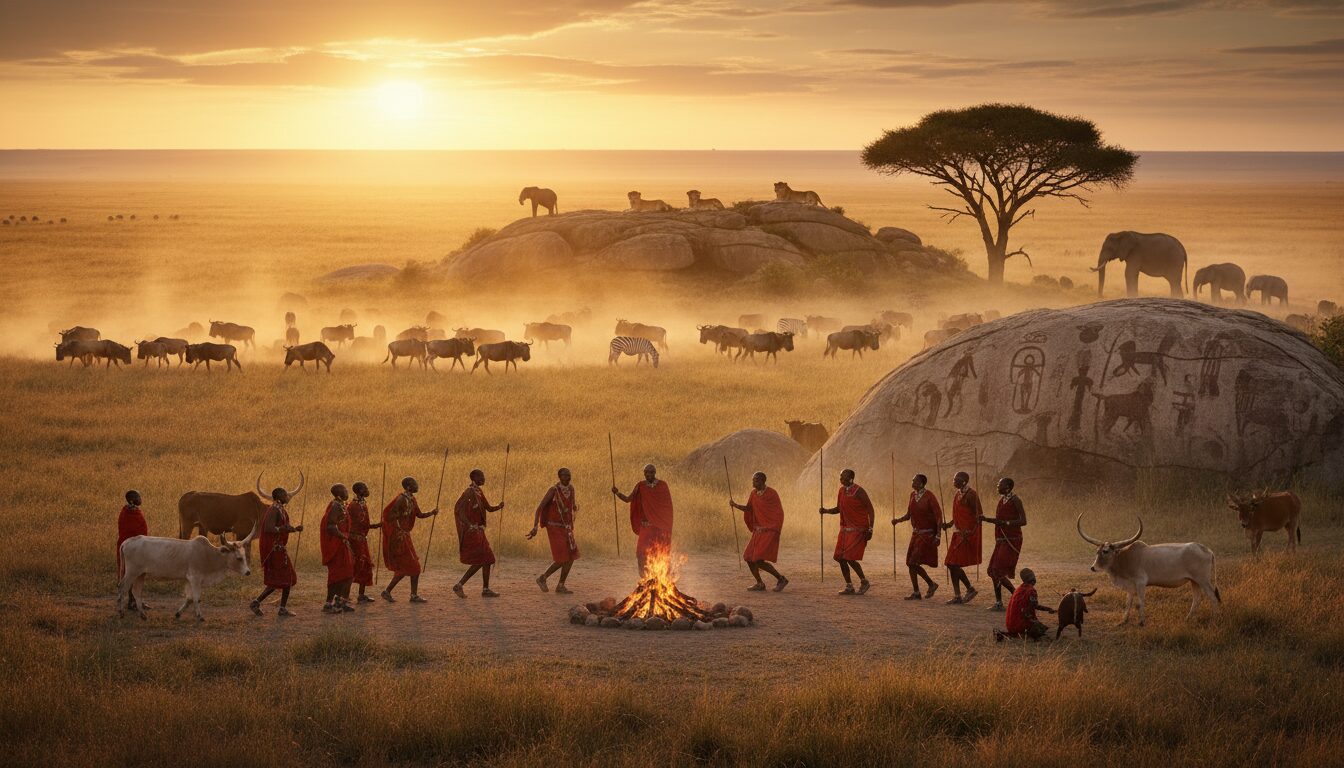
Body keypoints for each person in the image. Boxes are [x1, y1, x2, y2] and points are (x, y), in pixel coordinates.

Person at [381, 476, 438, 603]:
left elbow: (419, 514)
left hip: (406, 536)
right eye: (414, 483)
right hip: (400, 537)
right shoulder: (401, 499)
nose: (417, 485)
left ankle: (397, 593)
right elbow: (389, 516)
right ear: (408, 486)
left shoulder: (411, 499)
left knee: (410, 567)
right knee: (413, 567)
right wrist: (399, 529)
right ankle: (405, 594)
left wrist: (432, 513)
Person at [729, 471, 789, 592]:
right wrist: (735, 505)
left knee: (758, 559)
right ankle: (760, 583)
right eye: (753, 480)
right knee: (748, 557)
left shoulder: (772, 493)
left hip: (770, 529)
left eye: (755, 480)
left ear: (762, 481)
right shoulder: (753, 493)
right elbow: (749, 508)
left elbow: (778, 513)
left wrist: (774, 527)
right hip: (758, 530)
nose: (753, 482)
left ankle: (781, 579)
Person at [819, 468, 874, 595]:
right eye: (840, 476)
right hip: (844, 530)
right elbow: (839, 508)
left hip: (858, 529)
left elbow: (870, 510)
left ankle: (864, 581)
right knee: (840, 558)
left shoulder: (859, 491)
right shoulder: (841, 491)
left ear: (850, 478)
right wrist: (826, 511)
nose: (840, 478)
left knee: (849, 557)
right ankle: (849, 586)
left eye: (843, 476)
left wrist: (871, 528)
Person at [613, 464, 674, 577]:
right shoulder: (640, 486)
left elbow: (667, 506)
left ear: (655, 473)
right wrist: (617, 493)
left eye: (651, 472)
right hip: (646, 526)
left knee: (660, 552)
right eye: (646, 472)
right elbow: (628, 499)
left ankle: (662, 577)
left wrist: (665, 523)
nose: (648, 475)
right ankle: (644, 577)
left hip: (660, 526)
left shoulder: (662, 485)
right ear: (644, 473)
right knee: (640, 552)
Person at [250, 486, 303, 616]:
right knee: (280, 579)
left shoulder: (280, 509)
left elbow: (281, 527)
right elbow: (269, 528)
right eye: (285, 494)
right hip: (275, 551)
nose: (288, 496)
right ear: (279, 497)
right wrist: (285, 529)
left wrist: (295, 529)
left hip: (280, 550)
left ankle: (281, 608)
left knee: (286, 579)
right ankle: (257, 602)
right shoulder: (274, 509)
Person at [528, 467, 579, 594]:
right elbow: (540, 507)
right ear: (559, 477)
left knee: (571, 556)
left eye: (569, 475)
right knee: (562, 557)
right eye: (565, 475)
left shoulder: (571, 489)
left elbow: (572, 506)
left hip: (566, 527)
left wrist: (574, 509)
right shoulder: (553, 490)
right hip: (554, 527)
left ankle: (560, 585)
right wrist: (535, 526)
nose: (568, 477)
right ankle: (542, 578)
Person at [453, 469, 502, 598]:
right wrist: (470, 525)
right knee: (483, 560)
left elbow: (488, 508)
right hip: (472, 532)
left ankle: (485, 589)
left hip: (479, 531)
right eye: (481, 476)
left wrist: (499, 506)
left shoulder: (478, 491)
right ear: (474, 478)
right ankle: (459, 585)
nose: (484, 478)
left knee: (488, 559)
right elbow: (460, 511)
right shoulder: (469, 492)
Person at [891, 473, 941, 600]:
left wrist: (938, 535)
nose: (912, 483)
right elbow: (909, 514)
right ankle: (917, 592)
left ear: (922, 483)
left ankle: (931, 584)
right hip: (916, 534)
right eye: (912, 480)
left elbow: (938, 516)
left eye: (915, 481)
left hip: (927, 534)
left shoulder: (929, 496)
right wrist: (898, 520)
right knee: (910, 563)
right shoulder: (912, 495)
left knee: (913, 562)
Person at [980, 477, 1026, 611]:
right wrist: (985, 519)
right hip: (1001, 540)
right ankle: (999, 602)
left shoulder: (1015, 500)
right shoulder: (1002, 500)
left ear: (1007, 487)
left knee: (998, 571)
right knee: (993, 571)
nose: (997, 486)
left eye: (999, 484)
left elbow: (1023, 521)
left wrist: (1007, 523)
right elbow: (999, 521)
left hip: (1012, 540)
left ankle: (1016, 597)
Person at [941, 471, 982, 604]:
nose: (954, 481)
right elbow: (956, 515)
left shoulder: (971, 495)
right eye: (953, 478)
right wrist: (949, 524)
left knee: (953, 563)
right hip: (957, 532)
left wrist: (970, 532)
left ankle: (969, 589)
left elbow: (979, 517)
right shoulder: (957, 494)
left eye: (956, 479)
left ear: (964, 481)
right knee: (950, 563)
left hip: (967, 534)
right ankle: (958, 595)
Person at [319, 484, 356, 614]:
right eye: (345, 490)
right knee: (338, 576)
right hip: (337, 545)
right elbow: (330, 526)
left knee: (348, 574)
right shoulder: (335, 506)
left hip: (342, 544)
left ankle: (341, 602)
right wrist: (343, 536)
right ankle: (329, 604)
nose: (347, 491)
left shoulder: (341, 505)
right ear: (339, 494)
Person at [995, 567, 1054, 642]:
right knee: (1041, 630)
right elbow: (1034, 606)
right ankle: (1025, 634)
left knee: (1036, 626)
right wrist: (1048, 609)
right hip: (1020, 625)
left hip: (1010, 625)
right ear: (1033, 579)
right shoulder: (1031, 591)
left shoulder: (1019, 589)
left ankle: (1013, 634)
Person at [347, 481, 381, 603]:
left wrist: (375, 525)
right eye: (366, 488)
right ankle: (344, 596)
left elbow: (363, 524)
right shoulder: (353, 506)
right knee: (356, 566)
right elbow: (352, 524)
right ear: (360, 490)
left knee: (365, 566)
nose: (367, 490)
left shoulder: (362, 504)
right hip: (355, 540)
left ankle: (361, 595)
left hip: (361, 540)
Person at [117, 490, 149, 611]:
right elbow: (128, 531)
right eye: (138, 497)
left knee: (137, 574)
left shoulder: (133, 512)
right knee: (130, 574)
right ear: (131, 500)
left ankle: (136, 600)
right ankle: (131, 601)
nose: (140, 498)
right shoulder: (127, 514)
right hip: (130, 549)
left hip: (138, 548)